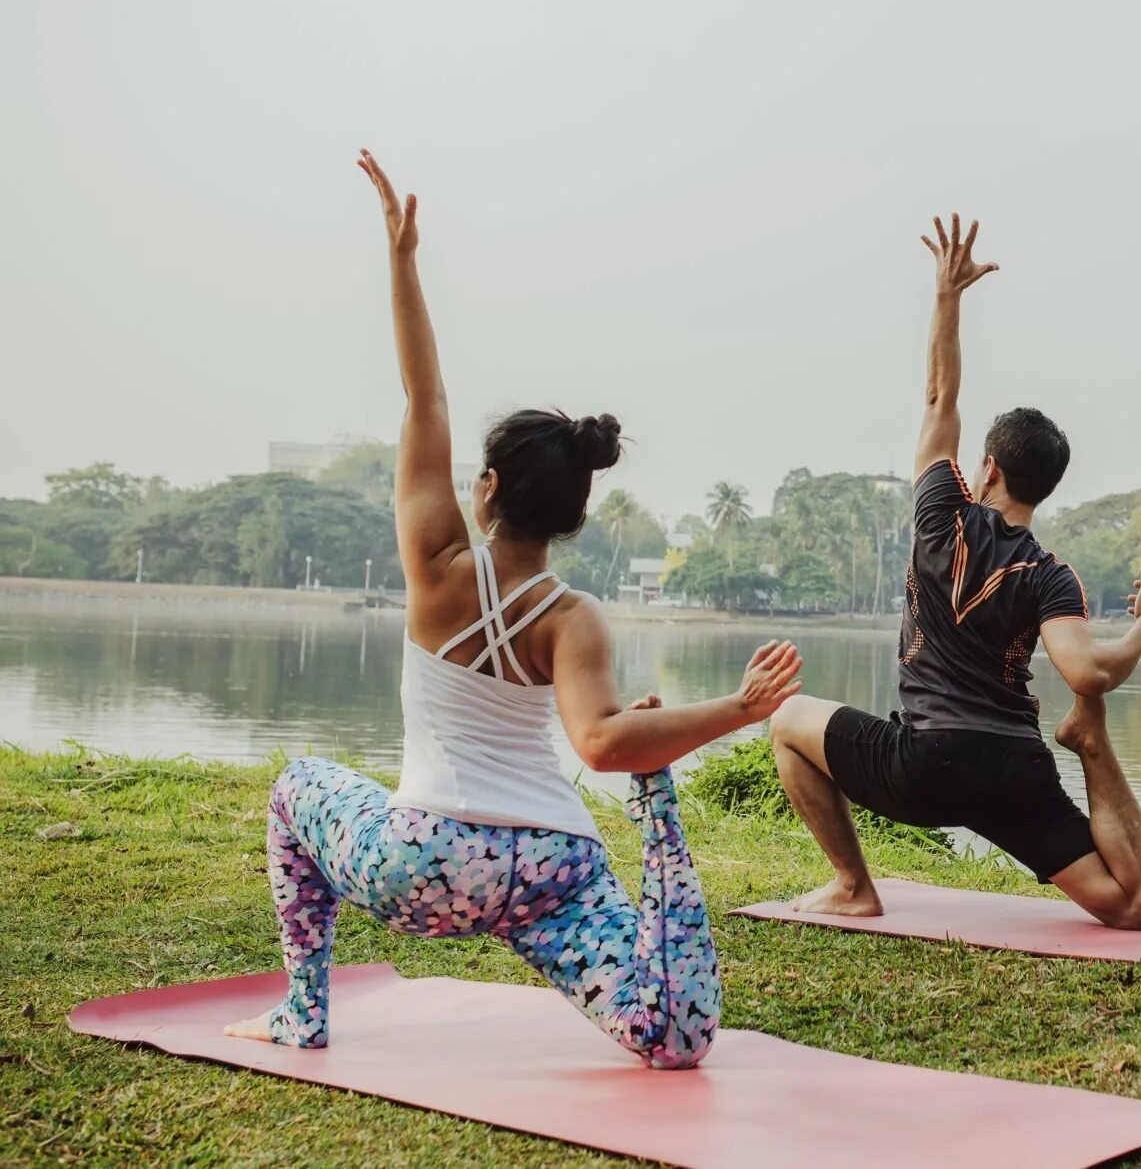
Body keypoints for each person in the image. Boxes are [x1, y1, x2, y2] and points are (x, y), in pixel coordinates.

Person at [223, 151, 805, 1069]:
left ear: (486, 488)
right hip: (546, 872)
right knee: (673, 1043)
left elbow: (425, 399)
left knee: (298, 786)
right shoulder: (575, 619)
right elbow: (604, 745)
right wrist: (739, 710)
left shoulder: (437, 564)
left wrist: (402, 260)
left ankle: (303, 1010)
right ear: (577, 513)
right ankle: (662, 819)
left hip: (420, 867)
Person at [770, 214, 1141, 930]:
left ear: (986, 467)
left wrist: (948, 296)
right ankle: (1093, 745)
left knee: (787, 719)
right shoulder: (1052, 574)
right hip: (1013, 769)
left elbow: (938, 398)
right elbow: (1087, 675)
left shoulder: (939, 515)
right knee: (1134, 905)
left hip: (925, 765)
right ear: (1045, 489)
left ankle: (852, 885)